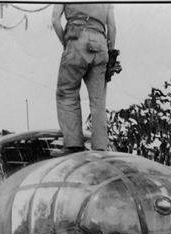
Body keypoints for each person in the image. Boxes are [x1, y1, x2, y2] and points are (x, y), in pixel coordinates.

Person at [52, 4, 117, 152]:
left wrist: (66, 43)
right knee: (98, 101)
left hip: (76, 38)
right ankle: (100, 148)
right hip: (101, 44)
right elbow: (112, 28)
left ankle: (73, 145)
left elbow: (55, 21)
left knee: (67, 93)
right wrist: (111, 52)